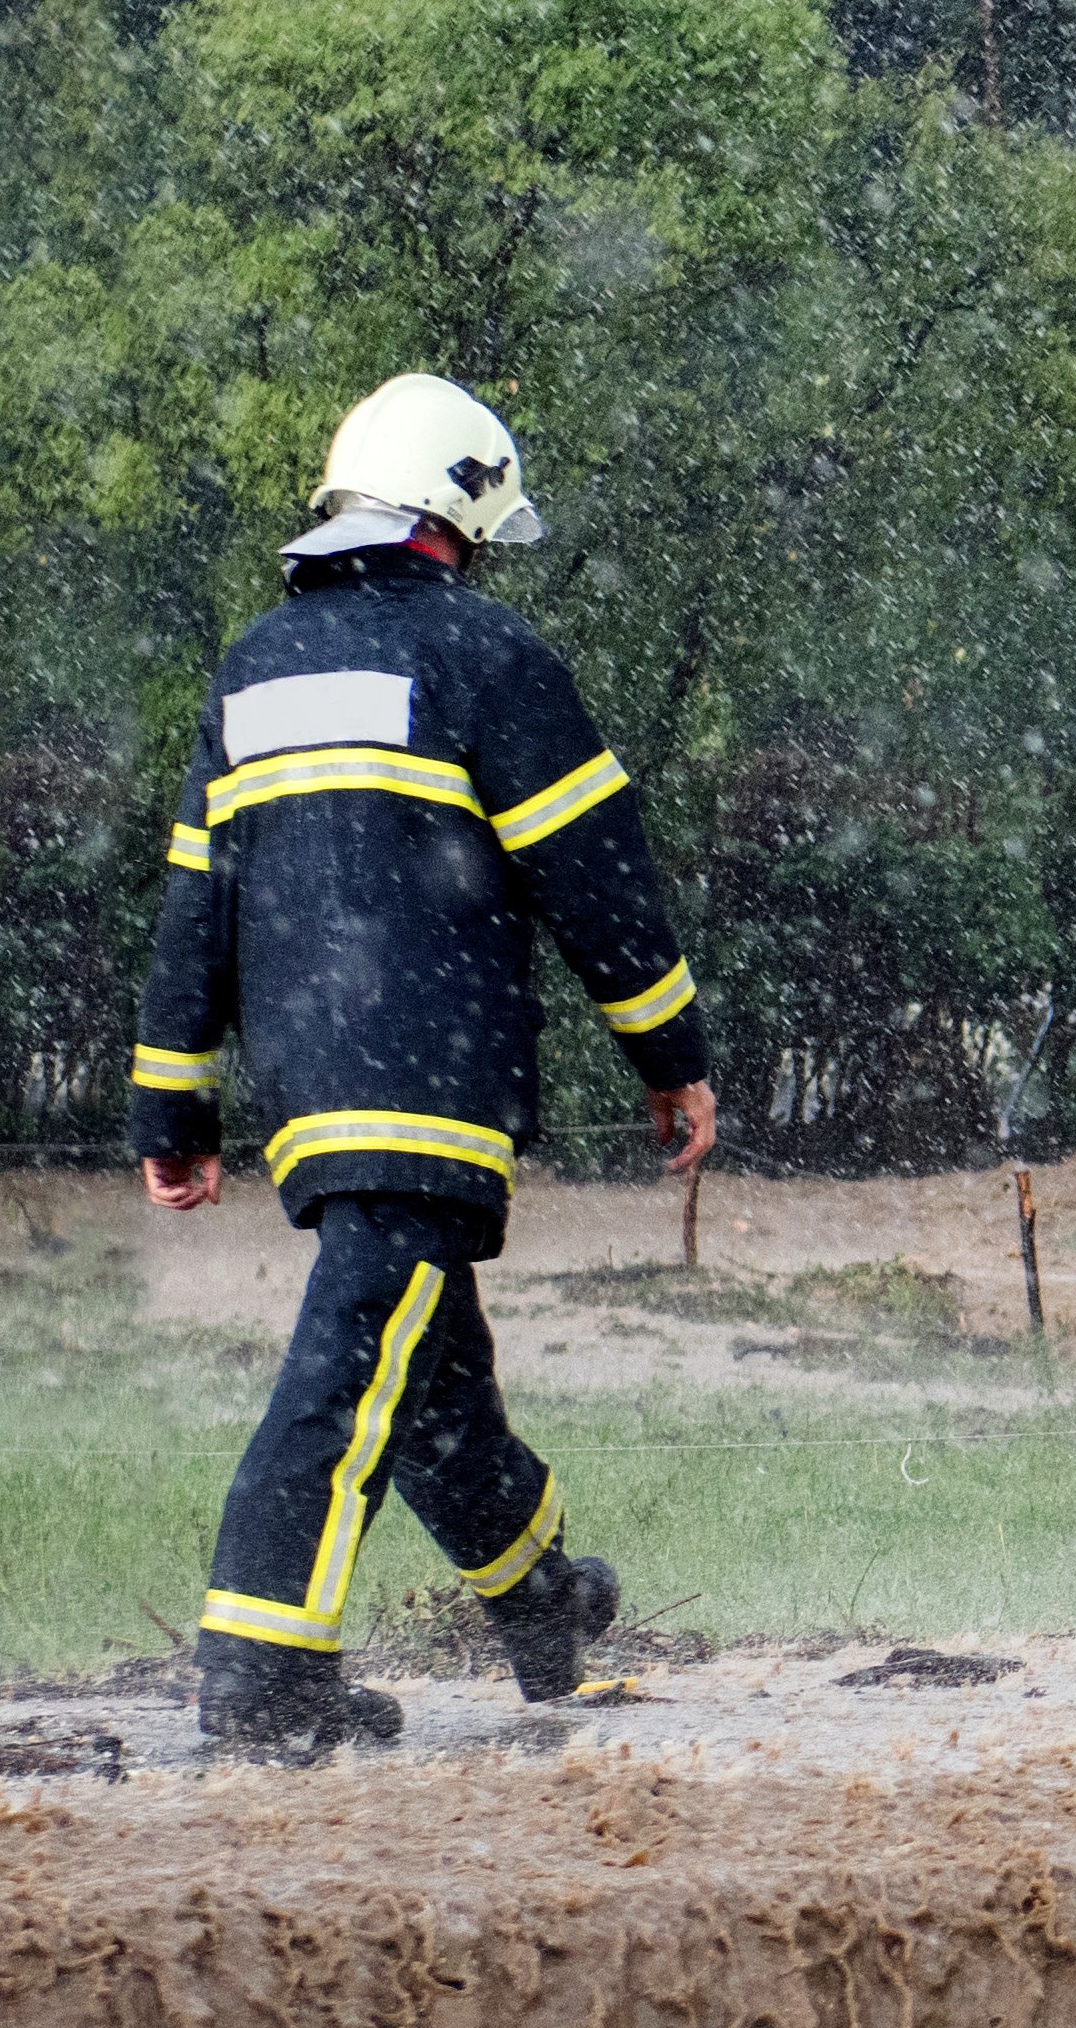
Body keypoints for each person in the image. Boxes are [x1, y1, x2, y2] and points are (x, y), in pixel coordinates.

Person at [131, 373, 699, 1759]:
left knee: (428, 1371)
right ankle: (262, 1670)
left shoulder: (254, 667)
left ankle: (545, 1603)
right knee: (346, 1374)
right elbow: (597, 877)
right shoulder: (486, 656)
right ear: (457, 513)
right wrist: (669, 1052)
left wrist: (173, 1098)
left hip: (308, 1094)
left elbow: (198, 898)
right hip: (435, 1080)